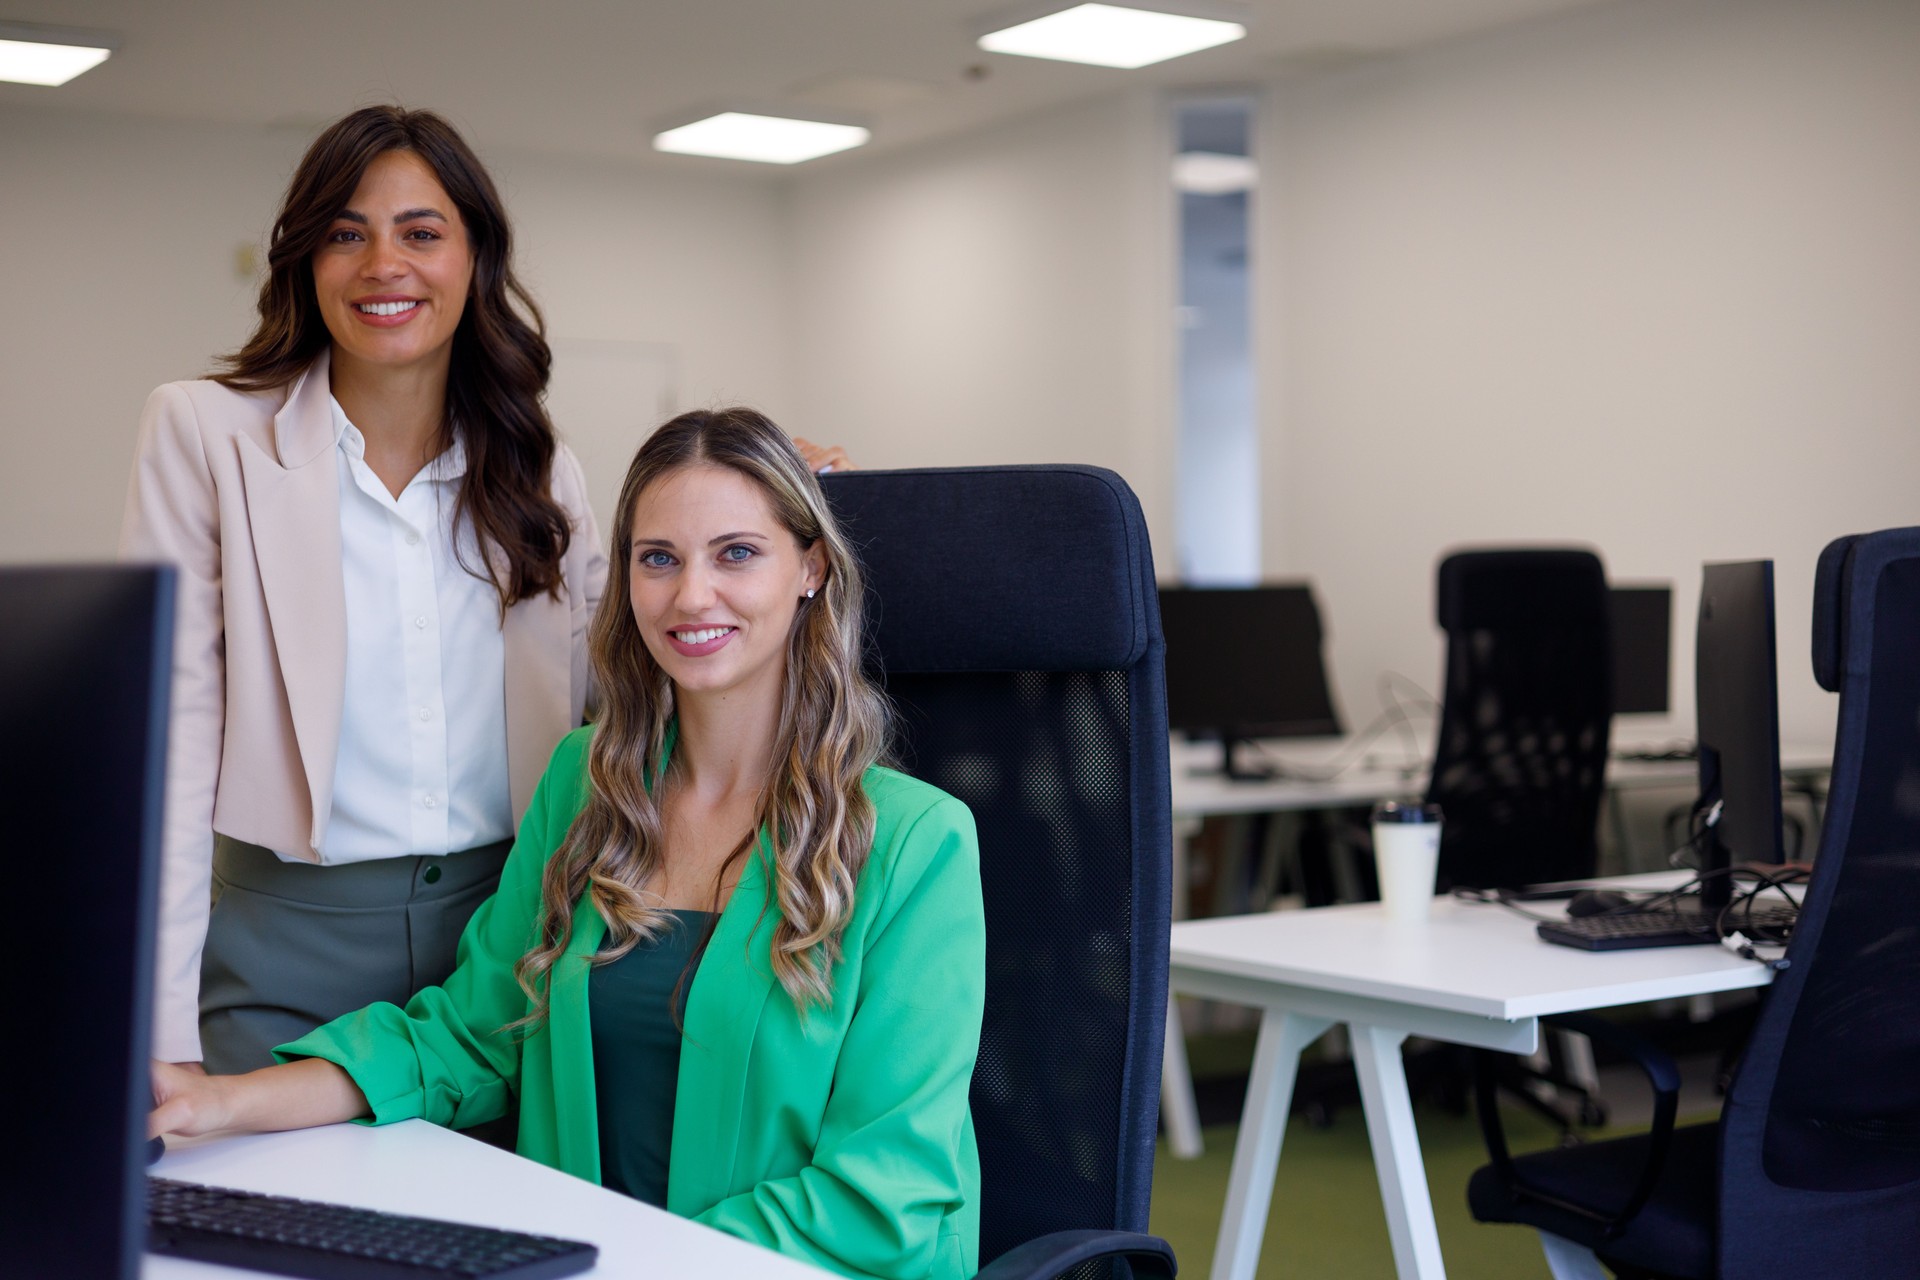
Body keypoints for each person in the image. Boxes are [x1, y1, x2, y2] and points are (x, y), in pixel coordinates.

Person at [150, 409, 988, 1280]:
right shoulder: (588, 787)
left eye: (737, 552)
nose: (692, 595)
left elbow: (883, 1194)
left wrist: (633, 1262)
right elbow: (471, 1034)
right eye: (658, 558)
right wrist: (219, 1103)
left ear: (811, 567)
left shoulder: (915, 844)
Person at [121, 106, 607, 1075]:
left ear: (476, 259)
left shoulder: (540, 469)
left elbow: (616, 694)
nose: (385, 262)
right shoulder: (205, 435)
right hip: (284, 951)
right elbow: (165, 751)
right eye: (347, 233)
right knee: (281, 1221)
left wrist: (774, 504)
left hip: (505, 942)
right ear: (305, 260)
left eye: (421, 232)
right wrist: (160, 1033)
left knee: (498, 1226)